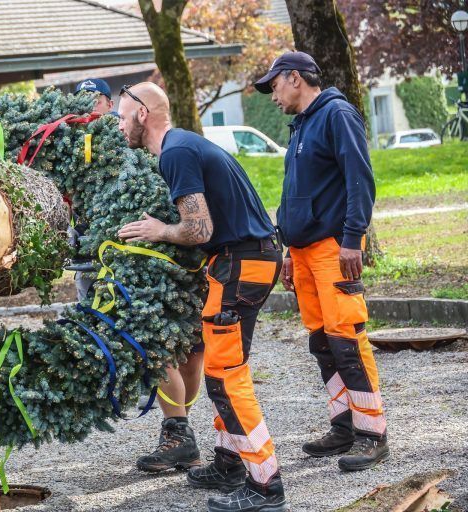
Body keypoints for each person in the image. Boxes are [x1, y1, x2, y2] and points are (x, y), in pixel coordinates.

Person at [117, 83, 287, 512]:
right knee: (221, 366)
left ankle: (265, 484)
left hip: (240, 263)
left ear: (142, 114)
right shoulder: (186, 144)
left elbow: (200, 230)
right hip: (249, 260)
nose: (117, 127)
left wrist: (160, 230)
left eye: (121, 117)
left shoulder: (174, 153)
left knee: (225, 377)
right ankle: (230, 462)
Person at [254, 51, 388, 472]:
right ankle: (344, 424)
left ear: (295, 78)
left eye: (274, 85)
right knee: (322, 341)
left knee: (346, 338)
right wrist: (291, 251)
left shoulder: (337, 114)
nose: (272, 96)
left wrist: (354, 240)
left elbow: (360, 179)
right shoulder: (300, 125)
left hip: (334, 249)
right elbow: (297, 192)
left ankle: (372, 433)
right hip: (305, 252)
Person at [67, 78, 117, 302]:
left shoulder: (125, 138)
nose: (89, 106)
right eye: (83, 100)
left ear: (110, 105)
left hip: (120, 240)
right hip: (84, 241)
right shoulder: (68, 143)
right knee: (88, 299)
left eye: (96, 100)